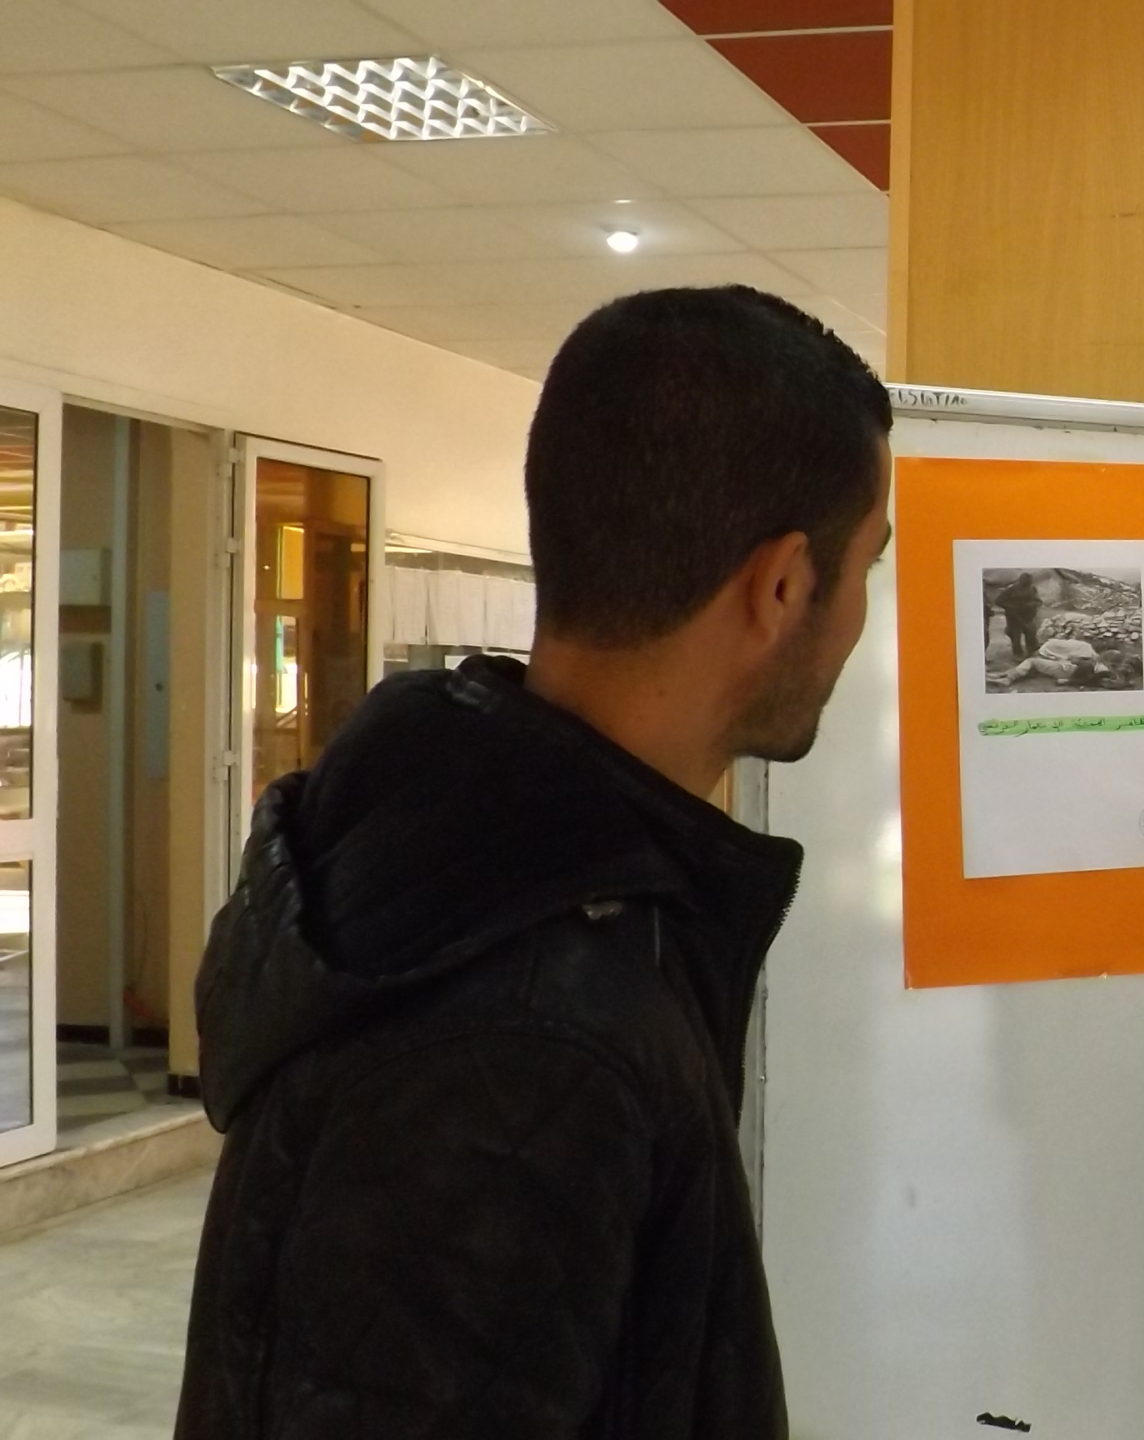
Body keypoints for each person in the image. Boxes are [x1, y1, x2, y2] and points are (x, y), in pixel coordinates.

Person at [176, 286, 893, 1439]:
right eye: (866, 569)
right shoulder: (526, 1036)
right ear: (781, 587)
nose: (859, 616)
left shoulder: (526, 883)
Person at [996, 570, 1042, 660]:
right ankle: (1018, 654)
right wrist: (1011, 607)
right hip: (1014, 616)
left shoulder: (1032, 589)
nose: (1027, 584)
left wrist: (1031, 605)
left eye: (1029, 582)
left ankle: (1032, 651)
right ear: (1020, 580)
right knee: (1016, 636)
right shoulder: (1011, 589)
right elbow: (999, 601)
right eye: (1025, 582)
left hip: (1028, 616)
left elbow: (1038, 601)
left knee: (1031, 633)